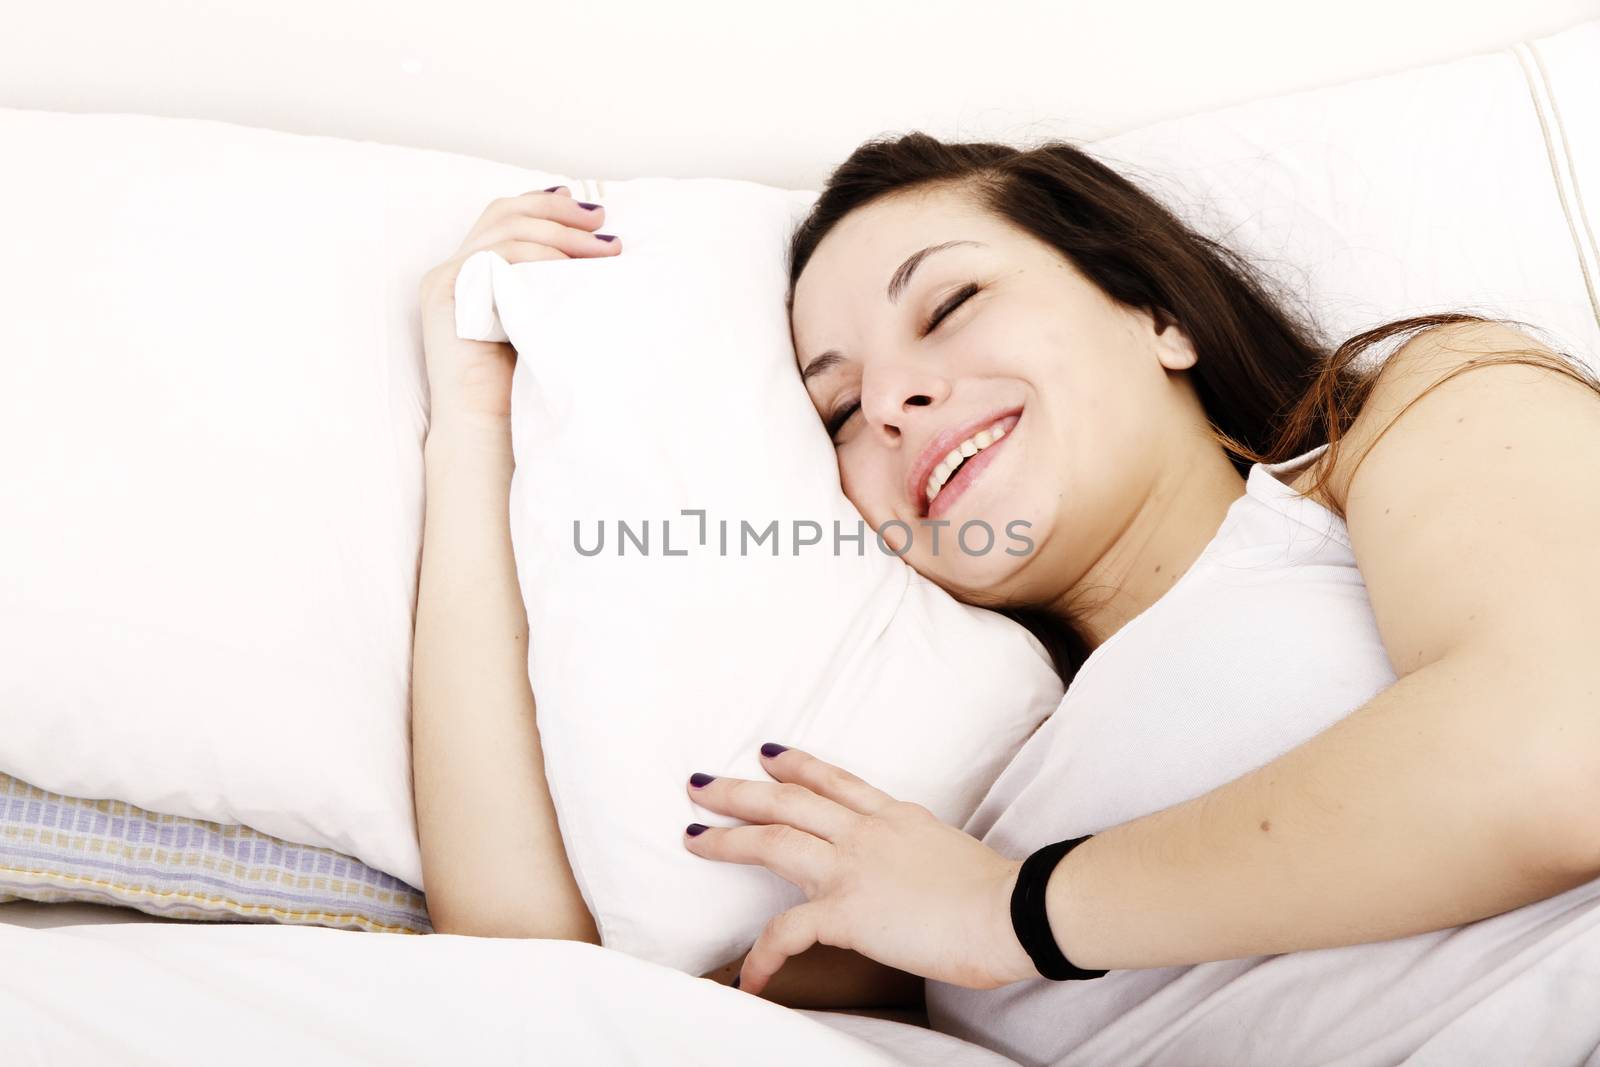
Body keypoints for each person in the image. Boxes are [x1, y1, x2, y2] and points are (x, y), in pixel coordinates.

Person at [411, 136, 1600, 1063]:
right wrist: (473, 420)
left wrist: (1014, 915)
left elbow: (1564, 757)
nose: (890, 401)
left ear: (1155, 311)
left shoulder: (1403, 415)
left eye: (947, 305)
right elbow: (545, 991)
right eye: (837, 411)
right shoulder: (948, 825)